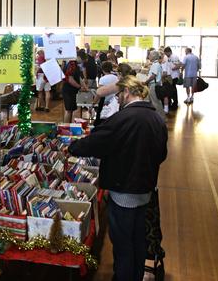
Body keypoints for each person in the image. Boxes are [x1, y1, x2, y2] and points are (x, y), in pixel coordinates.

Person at [68, 76, 167, 281]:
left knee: (122, 244)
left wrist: (73, 147)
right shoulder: (156, 117)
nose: (118, 98)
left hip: (124, 191)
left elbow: (97, 142)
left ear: (128, 93)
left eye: (120, 94)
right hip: (145, 190)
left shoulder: (124, 118)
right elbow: (162, 154)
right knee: (137, 240)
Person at [62, 53, 88, 123]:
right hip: (68, 90)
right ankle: (66, 127)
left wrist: (85, 87)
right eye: (82, 60)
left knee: (71, 110)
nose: (82, 62)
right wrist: (80, 87)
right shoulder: (72, 64)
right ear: (78, 57)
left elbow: (79, 78)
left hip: (73, 90)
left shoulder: (76, 65)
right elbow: (70, 79)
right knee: (68, 111)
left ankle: (68, 126)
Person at [146, 50, 167, 115]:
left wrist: (146, 82)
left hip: (153, 85)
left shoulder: (155, 65)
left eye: (149, 55)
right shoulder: (156, 64)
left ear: (153, 56)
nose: (148, 56)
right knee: (156, 102)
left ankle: (160, 118)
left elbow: (153, 76)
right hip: (154, 84)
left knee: (155, 102)